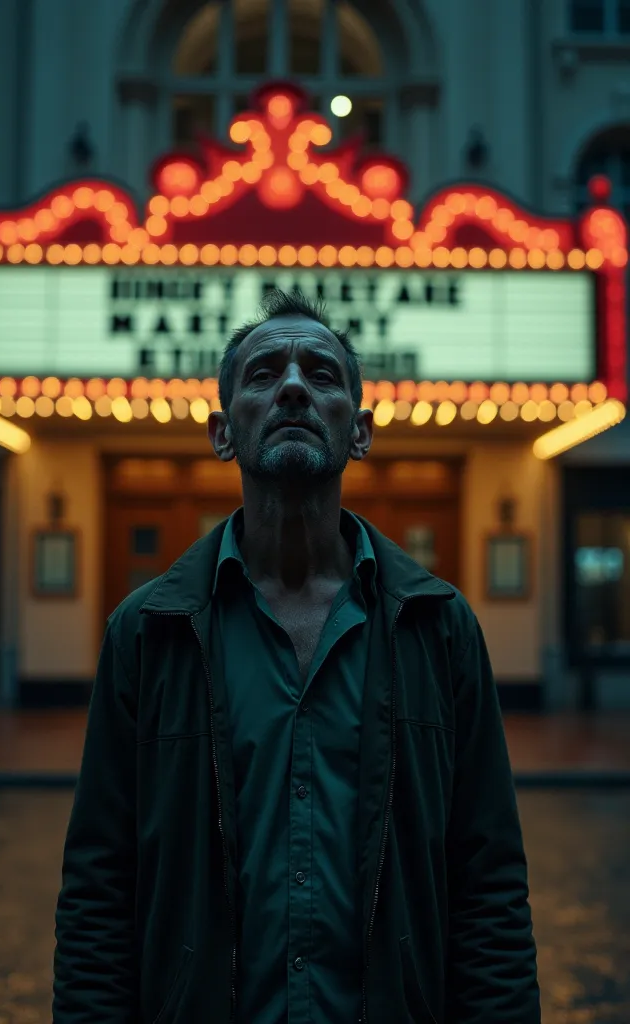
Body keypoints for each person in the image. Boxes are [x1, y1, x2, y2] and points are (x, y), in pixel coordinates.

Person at [53, 288, 541, 1023]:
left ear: (361, 431)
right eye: (262, 374)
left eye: (320, 373)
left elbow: (489, 884)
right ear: (221, 433)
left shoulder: (439, 628)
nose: (290, 386)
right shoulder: (146, 633)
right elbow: (99, 889)